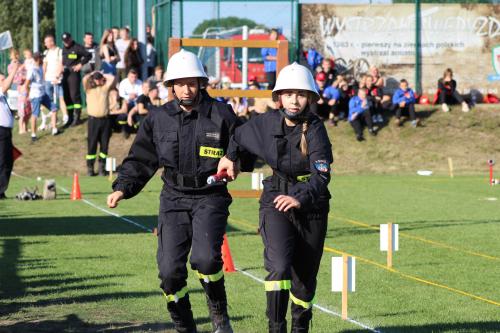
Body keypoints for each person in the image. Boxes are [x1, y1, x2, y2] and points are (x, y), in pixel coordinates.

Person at [107, 49, 241, 333]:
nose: (186, 88)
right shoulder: (158, 118)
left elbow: (246, 144)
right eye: (179, 83)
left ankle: (219, 315)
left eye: (191, 82)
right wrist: (122, 188)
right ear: (171, 86)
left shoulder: (221, 114)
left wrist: (233, 157)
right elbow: (141, 159)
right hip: (173, 199)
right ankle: (184, 325)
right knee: (169, 273)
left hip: (210, 196)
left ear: (201, 82)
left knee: (205, 259)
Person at [217, 62, 333, 333]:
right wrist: (231, 158)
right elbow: (238, 136)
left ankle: (300, 329)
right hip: (275, 198)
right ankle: (276, 328)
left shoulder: (316, 130)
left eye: (301, 94)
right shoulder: (266, 122)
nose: (294, 100)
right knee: (279, 266)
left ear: (310, 98)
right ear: (279, 96)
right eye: (289, 93)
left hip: (311, 205)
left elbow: (321, 177)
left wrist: (300, 198)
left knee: (304, 281)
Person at [83, 71, 115, 176]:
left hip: (105, 120)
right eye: (96, 79)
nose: (97, 81)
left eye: (99, 79)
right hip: (93, 121)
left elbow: (112, 78)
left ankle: (102, 167)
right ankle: (90, 168)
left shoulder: (105, 88)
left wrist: (102, 75)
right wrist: (92, 74)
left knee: (104, 145)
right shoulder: (88, 89)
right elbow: (84, 79)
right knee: (92, 144)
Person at [25, 53, 59, 141]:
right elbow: (26, 84)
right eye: (41, 58)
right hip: (35, 96)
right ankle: (33, 135)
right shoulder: (32, 70)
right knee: (35, 114)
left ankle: (54, 129)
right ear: (37, 59)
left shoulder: (40, 67)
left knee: (54, 108)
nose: (43, 60)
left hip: (43, 94)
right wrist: (29, 95)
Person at [61, 32, 91, 127]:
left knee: (74, 95)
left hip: (74, 74)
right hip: (65, 73)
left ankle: (77, 117)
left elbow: (88, 55)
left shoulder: (77, 47)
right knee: (67, 96)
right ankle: (70, 118)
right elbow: (62, 60)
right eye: (64, 41)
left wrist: (80, 64)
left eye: (67, 40)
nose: (66, 43)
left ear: (70, 39)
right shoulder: (63, 49)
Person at [0, 60, 20, 199]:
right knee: (2, 161)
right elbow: (6, 85)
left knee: (8, 161)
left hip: (6, 132)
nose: (4, 80)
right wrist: (14, 69)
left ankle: (2, 190)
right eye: (1, 79)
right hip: (0, 131)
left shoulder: (3, 98)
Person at [43, 34, 68, 127]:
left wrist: (58, 75)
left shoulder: (59, 51)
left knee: (60, 97)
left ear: (52, 41)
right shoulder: (46, 52)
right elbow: (44, 66)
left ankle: (65, 116)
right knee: (49, 100)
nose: (46, 44)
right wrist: (43, 77)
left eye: (47, 42)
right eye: (45, 43)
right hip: (48, 79)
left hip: (57, 79)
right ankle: (55, 118)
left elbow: (61, 64)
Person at [8, 49, 30, 134]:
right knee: (22, 109)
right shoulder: (11, 66)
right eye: (14, 55)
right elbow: (15, 79)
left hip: (27, 88)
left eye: (17, 54)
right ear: (11, 56)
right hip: (20, 89)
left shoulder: (21, 64)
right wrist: (23, 78)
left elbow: (28, 73)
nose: (16, 56)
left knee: (28, 109)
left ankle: (26, 127)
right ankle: (21, 129)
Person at [118, 69, 142, 137]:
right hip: (126, 102)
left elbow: (141, 94)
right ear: (128, 76)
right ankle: (125, 130)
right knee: (125, 110)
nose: (134, 79)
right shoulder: (123, 82)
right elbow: (121, 94)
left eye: (135, 77)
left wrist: (135, 97)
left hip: (136, 102)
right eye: (132, 77)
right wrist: (129, 96)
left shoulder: (139, 82)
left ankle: (137, 129)